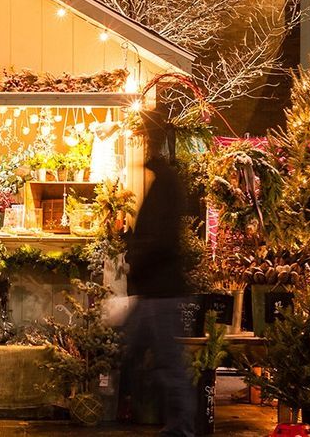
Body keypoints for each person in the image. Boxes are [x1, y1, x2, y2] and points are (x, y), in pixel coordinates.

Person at [123, 107, 196, 437]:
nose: (146, 145)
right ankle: (168, 420)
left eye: (149, 137)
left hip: (159, 290)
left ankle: (180, 427)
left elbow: (162, 238)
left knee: (163, 359)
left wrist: (137, 256)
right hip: (154, 288)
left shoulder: (164, 184)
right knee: (137, 353)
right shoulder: (162, 182)